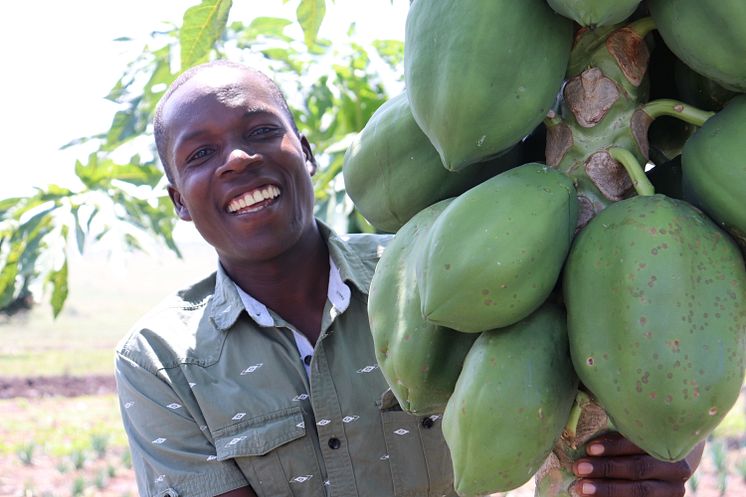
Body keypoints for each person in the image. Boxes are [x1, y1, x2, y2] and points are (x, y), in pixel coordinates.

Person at [114, 59, 704, 497]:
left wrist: (662, 443)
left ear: (307, 151)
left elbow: (608, 342)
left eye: (262, 131)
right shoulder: (160, 360)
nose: (238, 159)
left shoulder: (434, 270)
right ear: (179, 202)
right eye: (199, 155)